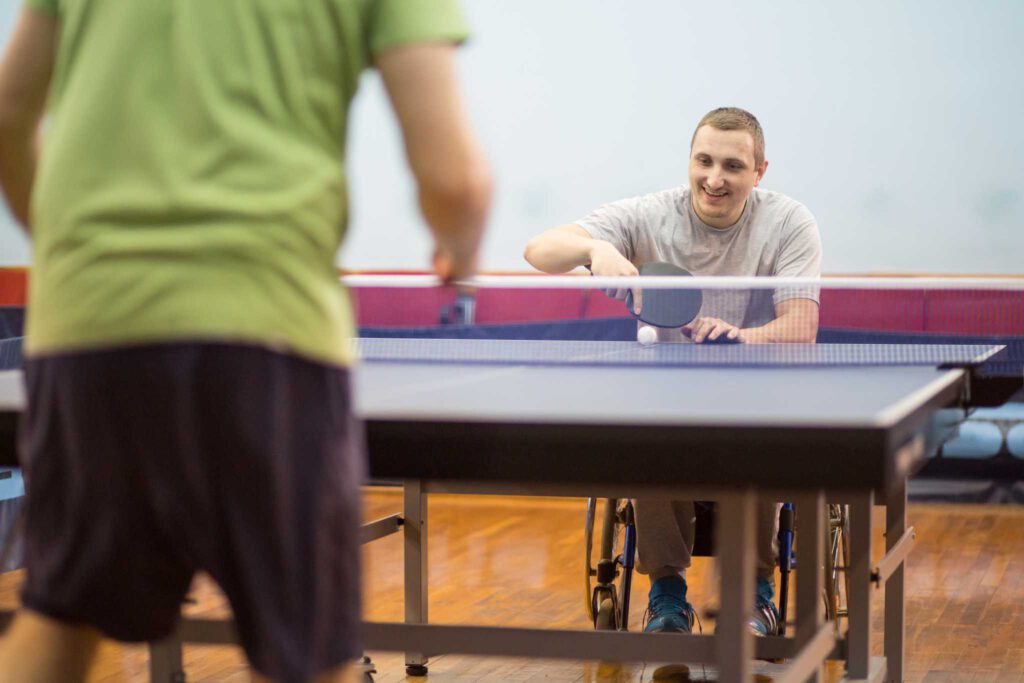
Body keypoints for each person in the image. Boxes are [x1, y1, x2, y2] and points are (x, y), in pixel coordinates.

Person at [0, 0, 491, 680]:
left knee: (61, 618)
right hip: (265, 334)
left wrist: (67, 249)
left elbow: (8, 118)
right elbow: (455, 181)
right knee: (312, 658)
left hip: (87, 329)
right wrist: (460, 251)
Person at [524, 107, 821, 636]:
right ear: (689, 160)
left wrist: (740, 337)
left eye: (733, 165)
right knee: (649, 439)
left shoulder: (788, 221)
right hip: (666, 390)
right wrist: (595, 248)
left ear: (759, 171)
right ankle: (666, 597)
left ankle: (755, 596)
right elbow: (539, 250)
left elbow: (801, 327)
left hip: (757, 387)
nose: (715, 178)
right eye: (704, 161)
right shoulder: (648, 215)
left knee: (759, 437)